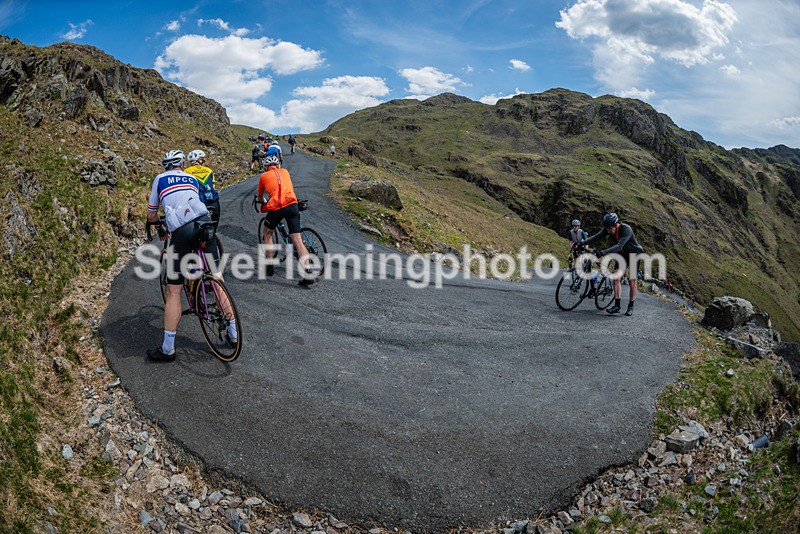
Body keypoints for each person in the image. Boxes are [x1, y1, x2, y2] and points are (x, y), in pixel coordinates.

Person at [146, 150, 237, 361]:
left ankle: (168, 348)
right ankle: (233, 333)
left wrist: (158, 223)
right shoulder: (192, 178)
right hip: (205, 222)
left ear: (166, 165)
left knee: (173, 291)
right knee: (217, 278)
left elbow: (152, 214)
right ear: (181, 164)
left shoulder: (160, 179)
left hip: (183, 230)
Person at [256, 154, 315, 287]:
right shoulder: (285, 171)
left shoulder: (263, 176)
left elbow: (260, 196)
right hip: (292, 205)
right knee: (297, 240)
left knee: (268, 233)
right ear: (278, 165)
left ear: (265, 167)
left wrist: (262, 201)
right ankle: (308, 272)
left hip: (276, 207)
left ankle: (269, 266)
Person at [581, 212, 645, 316]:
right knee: (616, 278)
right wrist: (581, 243)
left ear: (616, 225)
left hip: (634, 254)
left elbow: (619, 246)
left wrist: (602, 252)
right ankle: (617, 306)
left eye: (610, 229)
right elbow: (596, 237)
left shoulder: (626, 229)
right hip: (622, 255)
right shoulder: (608, 229)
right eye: (607, 229)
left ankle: (630, 306)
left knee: (632, 282)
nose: (608, 231)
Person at [184, 149, 220, 222]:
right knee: (215, 219)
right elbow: (213, 187)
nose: (203, 161)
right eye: (202, 159)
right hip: (212, 200)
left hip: (196, 202)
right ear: (199, 160)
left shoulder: (186, 171)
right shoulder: (209, 170)